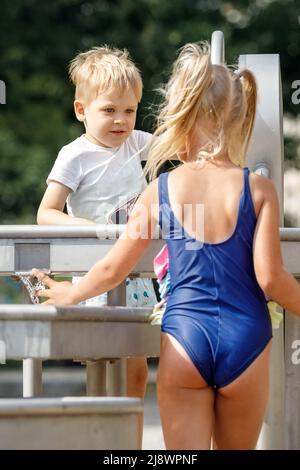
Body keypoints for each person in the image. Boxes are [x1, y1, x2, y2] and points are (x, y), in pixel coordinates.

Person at [33, 41, 300, 450]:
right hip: (247, 336)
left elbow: (111, 269)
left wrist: (69, 293)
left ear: (179, 118)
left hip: (183, 338)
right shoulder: (259, 190)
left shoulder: (160, 189)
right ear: (239, 119)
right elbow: (272, 279)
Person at [36, 45, 157, 448]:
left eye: (130, 110)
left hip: (132, 272)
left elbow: (183, 144)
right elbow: (46, 213)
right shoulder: (74, 155)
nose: (121, 120)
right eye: (109, 110)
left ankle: (131, 448)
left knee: (137, 369)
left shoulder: (137, 143)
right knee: (102, 367)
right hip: (92, 274)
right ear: (81, 110)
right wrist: (87, 227)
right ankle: (101, 444)